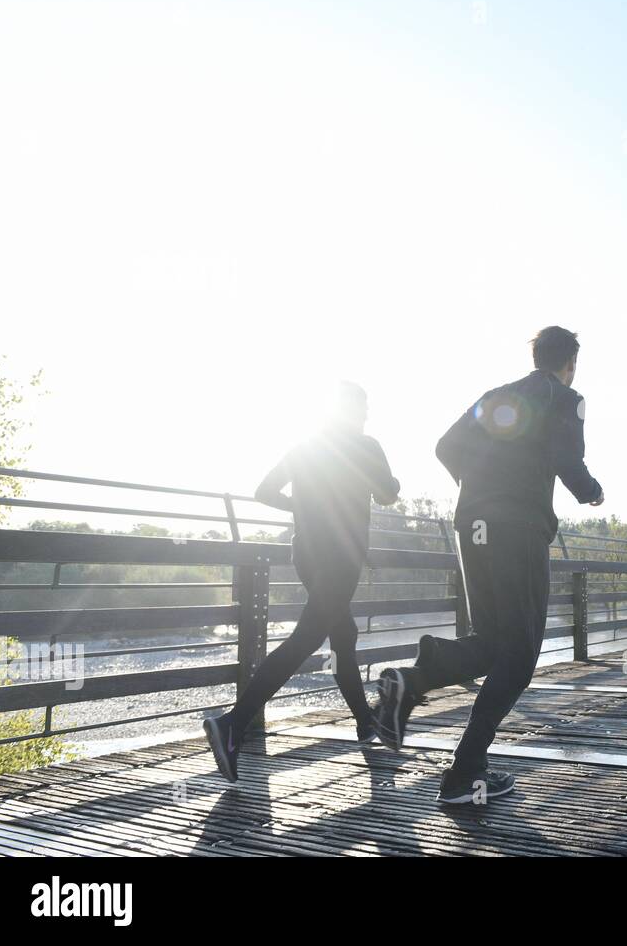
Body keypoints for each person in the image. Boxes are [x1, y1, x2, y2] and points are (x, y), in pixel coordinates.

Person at [373, 326, 603, 804]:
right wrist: (591, 491)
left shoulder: (495, 396)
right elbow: (567, 456)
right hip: (516, 528)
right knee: (519, 657)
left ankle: (410, 683)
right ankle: (463, 772)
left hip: (471, 525)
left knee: (493, 641)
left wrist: (479, 484)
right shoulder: (566, 395)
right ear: (569, 363)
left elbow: (444, 447)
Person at [203, 381, 400, 782]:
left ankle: (366, 723)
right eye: (362, 409)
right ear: (352, 411)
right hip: (341, 555)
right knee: (306, 639)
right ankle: (232, 725)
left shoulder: (306, 444)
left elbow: (264, 491)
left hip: (306, 553)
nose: (366, 416)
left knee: (343, 636)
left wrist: (303, 507)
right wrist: (385, 482)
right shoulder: (366, 446)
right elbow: (387, 495)